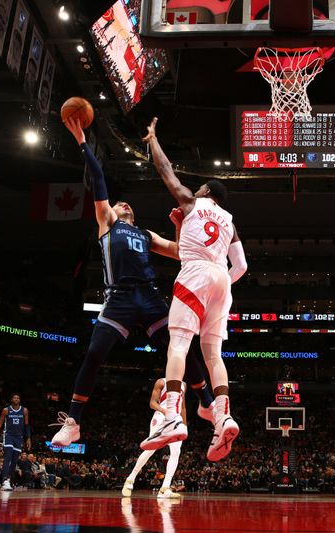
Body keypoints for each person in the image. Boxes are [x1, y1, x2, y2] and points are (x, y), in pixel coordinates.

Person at [50, 117, 211, 447]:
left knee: (180, 349)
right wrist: (82, 139)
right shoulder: (107, 221)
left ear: (133, 215)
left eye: (127, 204)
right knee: (94, 352)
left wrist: (179, 223)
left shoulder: (144, 233)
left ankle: (208, 405)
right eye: (119, 202)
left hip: (150, 297)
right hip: (119, 298)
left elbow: (181, 252)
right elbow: (98, 182)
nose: (122, 203)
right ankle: (74, 422)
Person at [141, 117, 248, 462]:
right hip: (221, 279)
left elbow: (165, 170)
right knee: (213, 355)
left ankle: (172, 415)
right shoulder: (230, 222)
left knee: (179, 346)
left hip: (197, 274)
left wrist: (153, 139)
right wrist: (219, 289)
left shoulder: (191, 201)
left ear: (205, 192)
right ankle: (223, 415)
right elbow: (242, 267)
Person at [122, 376, 197, 499]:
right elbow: (152, 403)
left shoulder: (184, 384)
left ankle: (165, 488)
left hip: (176, 421)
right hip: (161, 417)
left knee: (176, 452)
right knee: (150, 449)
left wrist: (184, 425)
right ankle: (130, 479)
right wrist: (165, 411)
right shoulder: (161, 382)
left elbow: (183, 407)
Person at [0, 393, 29, 491]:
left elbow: (26, 425)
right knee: (7, 457)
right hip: (8, 436)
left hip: (19, 437)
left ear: (19, 400)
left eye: (18, 398)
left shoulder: (24, 410)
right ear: (11, 400)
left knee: (14, 460)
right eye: (14, 397)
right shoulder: (6, 410)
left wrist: (28, 438)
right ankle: (5, 480)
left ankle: (9, 480)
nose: (16, 399)